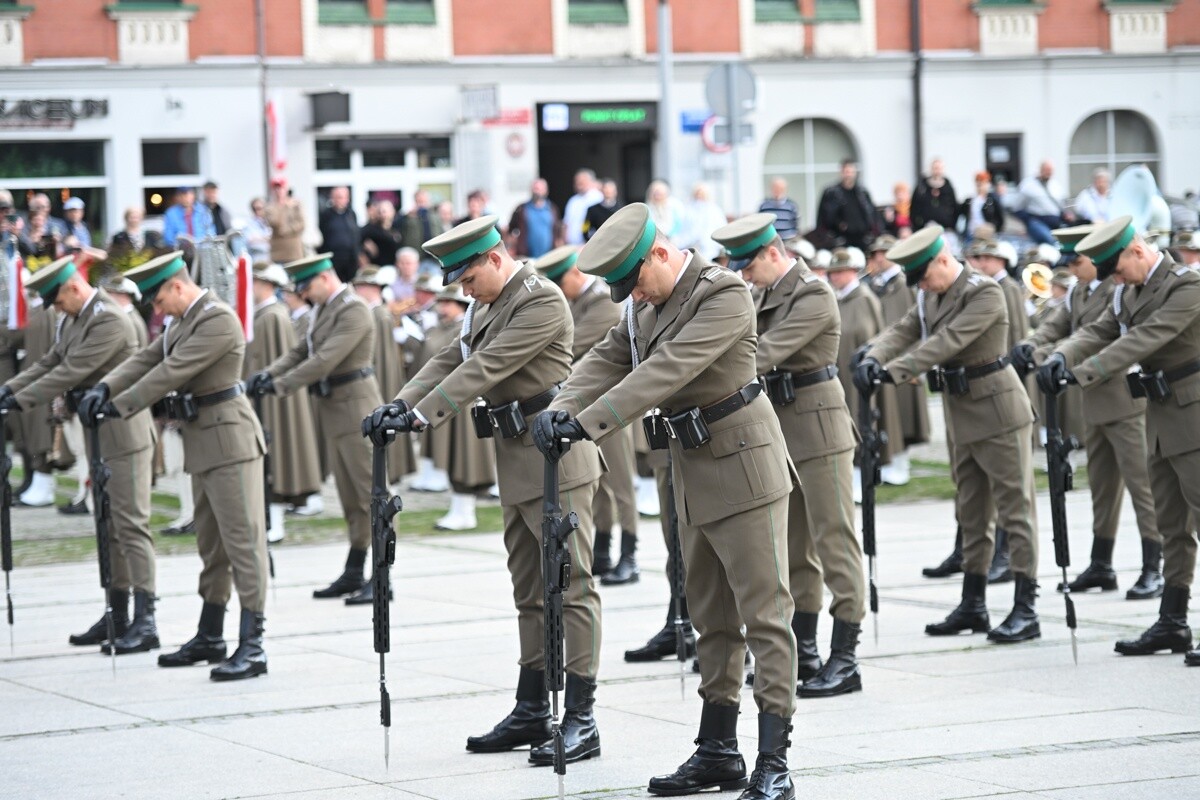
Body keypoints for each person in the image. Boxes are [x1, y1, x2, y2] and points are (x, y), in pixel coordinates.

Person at [531, 203, 799, 798]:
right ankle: (718, 750)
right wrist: (561, 405)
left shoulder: (723, 293)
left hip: (744, 466)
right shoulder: (642, 305)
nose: (635, 298)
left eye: (636, 284)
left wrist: (588, 422)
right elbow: (608, 354)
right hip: (691, 470)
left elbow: (667, 371)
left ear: (659, 252)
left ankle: (775, 760)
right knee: (710, 619)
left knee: (765, 615)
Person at [364, 215, 604, 766]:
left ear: (495, 258)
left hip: (556, 459)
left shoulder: (541, 300)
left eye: (468, 279)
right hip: (516, 456)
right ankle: (532, 708)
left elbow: (488, 365)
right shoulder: (487, 303)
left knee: (570, 588)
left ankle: (582, 717)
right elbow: (451, 357)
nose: (464, 292)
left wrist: (422, 417)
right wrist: (400, 403)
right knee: (528, 589)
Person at [82, 250, 269, 681]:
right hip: (205, 441)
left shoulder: (218, 319)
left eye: (160, 301)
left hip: (231, 442)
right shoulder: (183, 320)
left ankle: (254, 644)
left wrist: (120, 406)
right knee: (212, 547)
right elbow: (148, 358)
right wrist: (105, 387)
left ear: (178, 286)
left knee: (243, 544)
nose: (158, 310)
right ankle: (210, 635)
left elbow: (171, 371)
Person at [857, 225, 1041, 644]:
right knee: (971, 512)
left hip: (998, 410)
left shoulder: (984, 292)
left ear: (943, 260)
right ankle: (973, 603)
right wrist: (872, 355)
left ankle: (1026, 607)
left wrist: (894, 371)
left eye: (924, 276)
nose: (922, 286)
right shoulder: (930, 293)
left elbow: (946, 341)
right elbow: (905, 329)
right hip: (962, 413)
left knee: (1015, 511)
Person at [712, 215, 865, 701]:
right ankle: (808, 651)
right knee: (795, 547)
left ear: (773, 254)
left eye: (749, 265)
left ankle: (846, 656)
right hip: (782, 427)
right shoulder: (762, 294)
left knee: (835, 539)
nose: (744, 275)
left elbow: (765, 352)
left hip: (818, 428)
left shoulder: (813, 294)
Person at [1036, 217, 1200, 664]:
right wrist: (1059, 355)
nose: (1114, 280)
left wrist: (1081, 371)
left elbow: (1147, 338)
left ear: (1137, 251)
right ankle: (1173, 620)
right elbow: (1098, 331)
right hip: (1162, 417)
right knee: (1172, 526)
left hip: (1193, 414)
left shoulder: (1187, 285)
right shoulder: (1128, 290)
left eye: (1117, 268)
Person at [1, 256, 158, 653]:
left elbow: (71, 370)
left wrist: (18, 401)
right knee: (107, 524)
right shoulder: (74, 318)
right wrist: (9, 389)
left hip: (125, 434)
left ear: (74, 287)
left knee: (131, 526)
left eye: (57, 300)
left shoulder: (109, 319)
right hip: (100, 435)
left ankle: (145, 619)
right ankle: (117, 613)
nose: (56, 308)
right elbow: (51, 360)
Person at [1013, 226, 1163, 601]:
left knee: (1142, 486)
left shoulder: (1120, 290)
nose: (1074, 269)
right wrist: (1032, 345)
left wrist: (1052, 356)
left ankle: (1153, 564)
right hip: (1094, 401)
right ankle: (1101, 563)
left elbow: (1109, 339)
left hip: (1126, 404)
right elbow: (1057, 326)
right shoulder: (1080, 291)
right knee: (1102, 486)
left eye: (1078, 262)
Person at [249, 253, 381, 604]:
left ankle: (382, 577)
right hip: (334, 410)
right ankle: (355, 569)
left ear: (324, 278)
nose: (304, 295)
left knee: (372, 495)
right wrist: (267, 374)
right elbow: (298, 352)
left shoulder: (353, 309)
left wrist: (279, 386)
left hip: (356, 408)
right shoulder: (322, 310)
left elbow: (324, 359)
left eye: (307, 287)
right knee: (351, 499)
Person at [533, 245, 639, 585]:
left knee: (621, 483)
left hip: (610, 403)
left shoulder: (604, 304)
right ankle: (605, 551)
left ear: (576, 274)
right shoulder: (577, 302)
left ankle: (630, 555)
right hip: (584, 405)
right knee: (602, 483)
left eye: (561, 282)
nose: (559, 291)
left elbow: (573, 347)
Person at [245, 263, 322, 544]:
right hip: (263, 393)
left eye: (255, 281)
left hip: (273, 398)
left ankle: (273, 522)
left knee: (275, 460)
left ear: (266, 284)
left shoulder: (272, 317)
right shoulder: (264, 314)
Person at [411, 283, 496, 526]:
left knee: (465, 458)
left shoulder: (464, 328)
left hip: (463, 398)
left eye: (447, 303)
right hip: (444, 397)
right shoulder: (440, 327)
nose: (442, 307)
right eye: (441, 302)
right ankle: (459, 508)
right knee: (451, 457)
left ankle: (465, 511)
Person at [826, 247, 903, 502]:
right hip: (840, 373)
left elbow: (873, 334)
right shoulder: (836, 299)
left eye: (840, 271)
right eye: (832, 272)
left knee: (863, 422)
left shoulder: (865, 298)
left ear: (852, 272)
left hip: (858, 373)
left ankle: (863, 480)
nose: (835, 277)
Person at [866, 236, 928, 486]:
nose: (878, 258)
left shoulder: (903, 284)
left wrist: (913, 363)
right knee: (887, 415)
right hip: (883, 355)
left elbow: (911, 326)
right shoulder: (876, 284)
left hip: (902, 358)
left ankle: (901, 467)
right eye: (876, 253)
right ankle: (889, 465)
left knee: (903, 415)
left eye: (884, 252)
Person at [351, 265, 414, 496]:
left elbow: (378, 355)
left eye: (360, 286)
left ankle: (389, 477)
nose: (357, 290)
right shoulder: (377, 313)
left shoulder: (378, 314)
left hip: (380, 378)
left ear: (371, 288)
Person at [817, 159, 880, 250]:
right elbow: (823, 218)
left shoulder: (862, 193)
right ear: (841, 173)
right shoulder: (831, 193)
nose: (849, 175)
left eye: (851, 171)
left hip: (862, 239)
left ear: (855, 173)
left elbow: (872, 214)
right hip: (839, 239)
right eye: (846, 172)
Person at [1012, 161, 1067, 245]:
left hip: (1055, 221)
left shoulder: (1055, 185)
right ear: (1041, 169)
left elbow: (1061, 204)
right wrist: (1028, 220)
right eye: (1047, 169)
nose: (1049, 172)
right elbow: (1017, 207)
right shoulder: (1029, 185)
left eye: (1051, 170)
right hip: (1037, 221)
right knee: (1049, 240)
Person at [505, 178, 560, 259]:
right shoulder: (522, 209)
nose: (536, 191)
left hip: (548, 256)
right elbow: (511, 229)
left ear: (545, 191)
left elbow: (557, 230)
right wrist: (512, 245)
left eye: (538, 189)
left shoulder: (552, 209)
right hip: (527, 257)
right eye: (534, 188)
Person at [318, 186, 360, 282]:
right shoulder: (326, 215)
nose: (341, 200)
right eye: (338, 197)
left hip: (350, 258)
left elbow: (356, 234)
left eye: (343, 197)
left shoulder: (351, 214)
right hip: (333, 258)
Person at [398, 189, 446, 268]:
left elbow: (442, 233)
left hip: (434, 258)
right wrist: (408, 216)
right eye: (419, 202)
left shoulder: (435, 216)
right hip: (416, 259)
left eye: (424, 201)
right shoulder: (409, 216)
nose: (422, 205)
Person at [682, 182, 728, 262]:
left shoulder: (714, 209)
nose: (700, 196)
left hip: (711, 248)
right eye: (698, 193)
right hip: (693, 246)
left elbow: (721, 227)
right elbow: (685, 229)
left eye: (702, 193)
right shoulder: (688, 210)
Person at [264, 177, 306, 263]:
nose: (278, 191)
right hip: (277, 251)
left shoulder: (295, 205)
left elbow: (301, 224)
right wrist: (283, 207)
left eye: (281, 188)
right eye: (276, 188)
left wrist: (287, 230)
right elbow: (275, 223)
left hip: (293, 250)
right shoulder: (270, 207)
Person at [911, 158, 959, 232]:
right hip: (925, 228)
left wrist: (951, 225)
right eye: (935, 168)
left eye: (939, 168)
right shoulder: (922, 187)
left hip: (945, 229)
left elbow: (955, 207)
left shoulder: (948, 187)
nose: (937, 171)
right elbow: (914, 207)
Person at [960, 171, 1005, 243]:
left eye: (983, 183)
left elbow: (1000, 219)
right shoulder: (970, 200)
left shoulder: (992, 200)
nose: (980, 186)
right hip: (971, 234)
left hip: (987, 235)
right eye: (978, 183)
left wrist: (993, 228)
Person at [563, 169, 603, 245]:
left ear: (590, 181)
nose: (578, 184)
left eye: (581, 182)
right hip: (572, 246)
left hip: (590, 244)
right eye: (576, 182)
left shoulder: (598, 198)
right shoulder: (573, 201)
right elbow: (566, 223)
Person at [359, 199, 402, 268]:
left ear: (393, 211)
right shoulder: (370, 229)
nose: (382, 214)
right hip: (376, 268)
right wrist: (363, 247)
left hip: (393, 268)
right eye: (380, 211)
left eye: (385, 211)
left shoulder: (397, 228)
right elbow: (357, 242)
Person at [645, 179, 687, 247]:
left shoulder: (674, 205)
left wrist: (669, 234)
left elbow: (678, 223)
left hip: (673, 241)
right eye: (656, 194)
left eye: (660, 194)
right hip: (656, 241)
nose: (658, 196)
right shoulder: (648, 208)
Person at [758, 176, 801, 241]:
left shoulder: (792, 205)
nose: (777, 191)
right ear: (771, 188)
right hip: (770, 240)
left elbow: (796, 224)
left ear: (785, 189)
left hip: (788, 241)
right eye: (775, 188)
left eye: (780, 188)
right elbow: (760, 224)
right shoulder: (764, 206)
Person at [244, 199, 273, 263]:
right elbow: (249, 240)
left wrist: (259, 238)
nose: (257, 211)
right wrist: (265, 238)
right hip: (256, 257)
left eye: (259, 208)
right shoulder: (249, 224)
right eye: (254, 209)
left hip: (270, 257)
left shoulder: (269, 222)